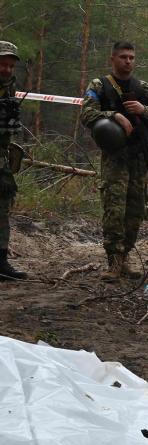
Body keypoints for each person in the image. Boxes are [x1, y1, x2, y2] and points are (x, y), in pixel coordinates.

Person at [80, 41, 148, 281]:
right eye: (123, 57)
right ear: (113, 59)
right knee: (114, 209)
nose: (128, 61)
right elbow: (86, 114)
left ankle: (126, 256)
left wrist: (142, 110)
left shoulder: (143, 88)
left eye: (131, 57)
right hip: (115, 159)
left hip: (138, 159)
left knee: (135, 210)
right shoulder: (99, 85)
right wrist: (114, 115)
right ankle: (113, 262)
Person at [0, 41, 26, 281]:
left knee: (3, 204)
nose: (7, 69)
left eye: (10, 65)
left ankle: (1, 261)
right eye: (2, 64)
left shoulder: (10, 86)